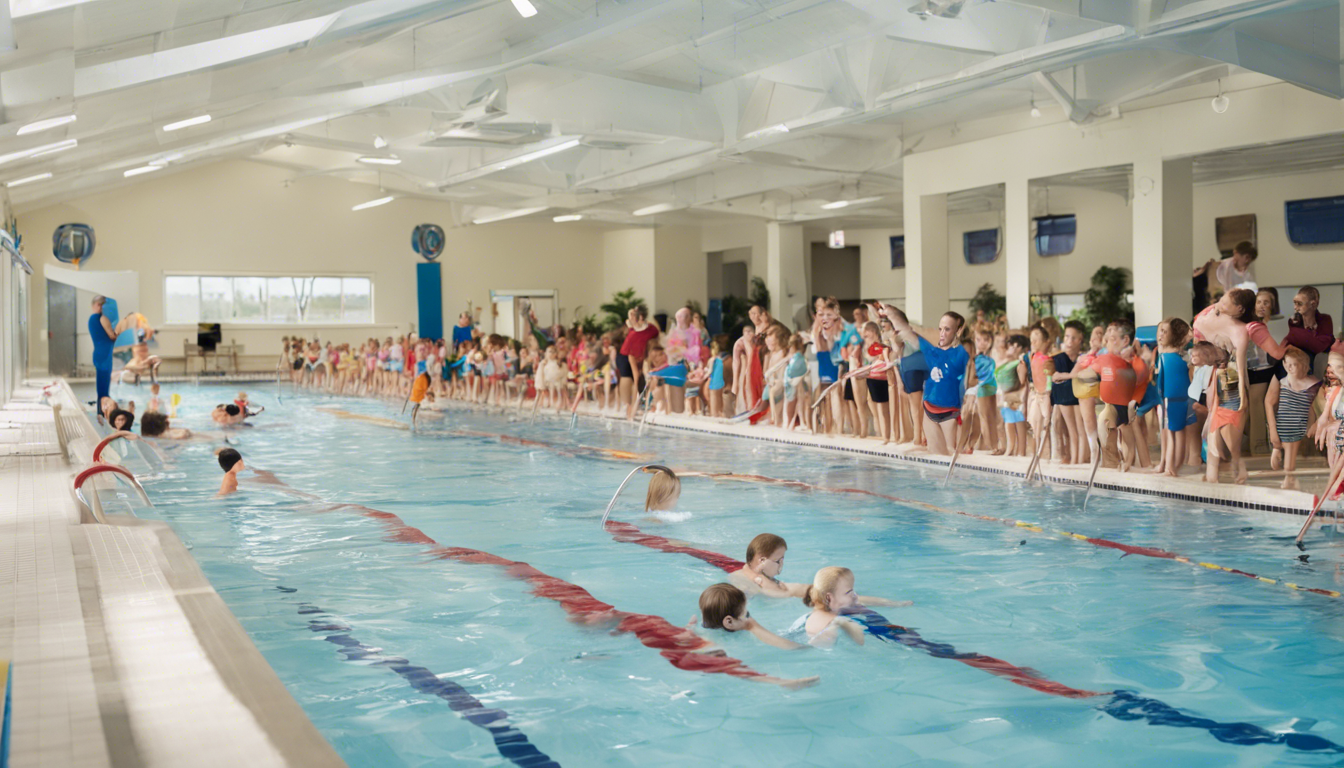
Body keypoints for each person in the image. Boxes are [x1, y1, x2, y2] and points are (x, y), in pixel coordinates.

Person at [873, 303, 973, 456]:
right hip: (930, 411)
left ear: (958, 331)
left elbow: (964, 377)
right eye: (940, 329)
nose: (942, 334)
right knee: (935, 460)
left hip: (950, 412)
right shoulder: (932, 352)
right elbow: (906, 331)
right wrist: (890, 313)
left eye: (947, 329)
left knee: (950, 456)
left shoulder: (961, 352)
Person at [1267, 347, 1321, 491]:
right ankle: (1280, 457)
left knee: (1292, 449)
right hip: (1283, 425)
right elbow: (1270, 402)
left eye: (1293, 364)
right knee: (1284, 445)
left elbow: (1316, 406)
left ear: (1303, 365)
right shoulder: (1282, 381)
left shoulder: (1314, 384)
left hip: (1299, 426)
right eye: (1286, 363)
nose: (1288, 367)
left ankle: (1289, 477)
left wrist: (1315, 423)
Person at [696, 584, 808, 650]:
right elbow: (790, 647)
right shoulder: (730, 645)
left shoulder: (701, 628)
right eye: (746, 614)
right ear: (729, 622)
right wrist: (752, 627)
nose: (748, 617)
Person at [787, 567, 866, 648]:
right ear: (829, 598)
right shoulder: (839, 621)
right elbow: (861, 641)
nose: (855, 596)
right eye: (849, 592)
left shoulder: (811, 616)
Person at [88, 296, 136, 406]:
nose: (102, 307)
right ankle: (103, 410)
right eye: (100, 305)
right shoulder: (101, 319)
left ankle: (102, 409)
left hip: (101, 354)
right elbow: (112, 337)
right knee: (103, 389)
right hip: (104, 355)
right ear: (96, 305)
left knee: (103, 387)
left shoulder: (93, 319)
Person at [618, 306, 659, 420]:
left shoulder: (652, 329)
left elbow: (656, 340)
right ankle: (628, 408)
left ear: (640, 317)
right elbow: (631, 356)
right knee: (632, 379)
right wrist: (636, 374)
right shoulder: (632, 334)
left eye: (633, 315)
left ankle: (639, 406)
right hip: (628, 357)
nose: (630, 318)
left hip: (644, 357)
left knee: (643, 380)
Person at [1284, 286, 1335, 375]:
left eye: (1299, 304)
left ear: (1313, 304)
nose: (1295, 307)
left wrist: (1298, 336)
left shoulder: (1325, 319)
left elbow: (1320, 346)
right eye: (1294, 303)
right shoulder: (1294, 322)